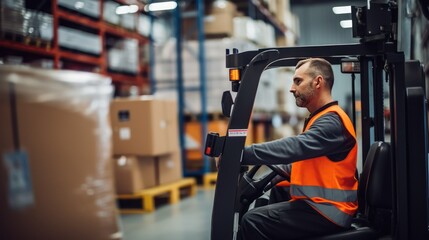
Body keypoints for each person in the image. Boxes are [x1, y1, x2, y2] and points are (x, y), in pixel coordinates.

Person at [237, 58, 358, 239]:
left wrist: (243, 154)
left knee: (252, 220)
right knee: (278, 191)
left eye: (298, 81)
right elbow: (305, 163)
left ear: (317, 82)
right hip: (321, 205)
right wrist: (269, 179)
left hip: (330, 210)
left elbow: (295, 147)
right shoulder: (319, 117)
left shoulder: (332, 122)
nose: (292, 89)